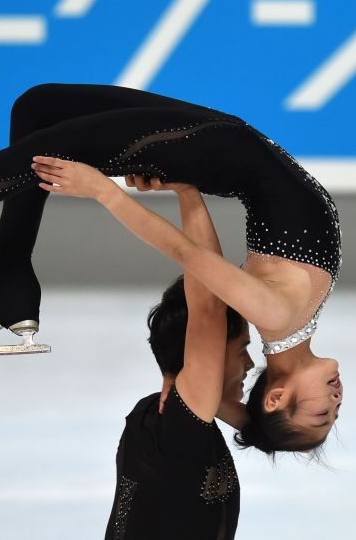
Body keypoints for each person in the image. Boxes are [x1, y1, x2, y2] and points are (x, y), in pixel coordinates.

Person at [0, 83, 343, 454]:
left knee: (36, 152)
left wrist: (105, 193)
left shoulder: (274, 312)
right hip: (224, 145)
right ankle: (6, 280)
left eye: (321, 415)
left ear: (275, 398)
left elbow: (191, 259)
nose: (336, 404)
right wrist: (261, 428)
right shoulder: (292, 322)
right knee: (40, 110)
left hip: (217, 147)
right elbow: (259, 420)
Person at [105, 176, 252, 539]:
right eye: (241, 350)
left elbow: (265, 431)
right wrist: (187, 192)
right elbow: (209, 302)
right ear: (210, 351)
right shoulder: (180, 427)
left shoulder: (161, 415)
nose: (250, 365)